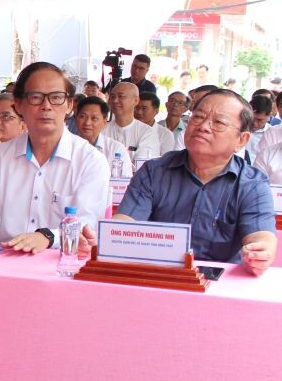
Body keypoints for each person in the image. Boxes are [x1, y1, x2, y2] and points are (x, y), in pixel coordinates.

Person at [85, 90, 276, 274]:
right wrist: (104, 238)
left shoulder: (252, 184)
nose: (203, 126)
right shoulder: (154, 171)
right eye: (198, 117)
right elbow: (126, 221)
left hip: (221, 284)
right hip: (158, 276)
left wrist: (260, 253)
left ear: (241, 140)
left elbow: (261, 236)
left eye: (218, 122)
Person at [0, 62, 109, 253]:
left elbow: (86, 222)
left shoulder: (90, 161)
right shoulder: (0, 156)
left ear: (69, 105)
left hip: (62, 261)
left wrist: (48, 237)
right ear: (19, 105)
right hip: (5, 260)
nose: (46, 106)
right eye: (36, 97)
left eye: (56, 97)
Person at [102, 82, 160, 163]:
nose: (115, 101)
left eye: (121, 96)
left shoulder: (147, 132)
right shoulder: (101, 129)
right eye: (112, 97)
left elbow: (143, 166)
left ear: (136, 100)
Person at [75, 96, 132, 177]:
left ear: (104, 121)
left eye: (94, 118)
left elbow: (124, 181)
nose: (87, 123)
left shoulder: (116, 149)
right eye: (82, 117)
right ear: (76, 118)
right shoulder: (67, 145)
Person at [135, 91, 175, 155]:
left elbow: (165, 159)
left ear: (156, 111)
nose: (139, 112)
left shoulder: (165, 134)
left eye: (144, 108)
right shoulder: (128, 129)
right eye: (136, 108)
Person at [246, 94, 273, 160]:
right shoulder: (238, 128)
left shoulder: (272, 134)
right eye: (252, 118)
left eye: (259, 120)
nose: (254, 123)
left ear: (269, 115)